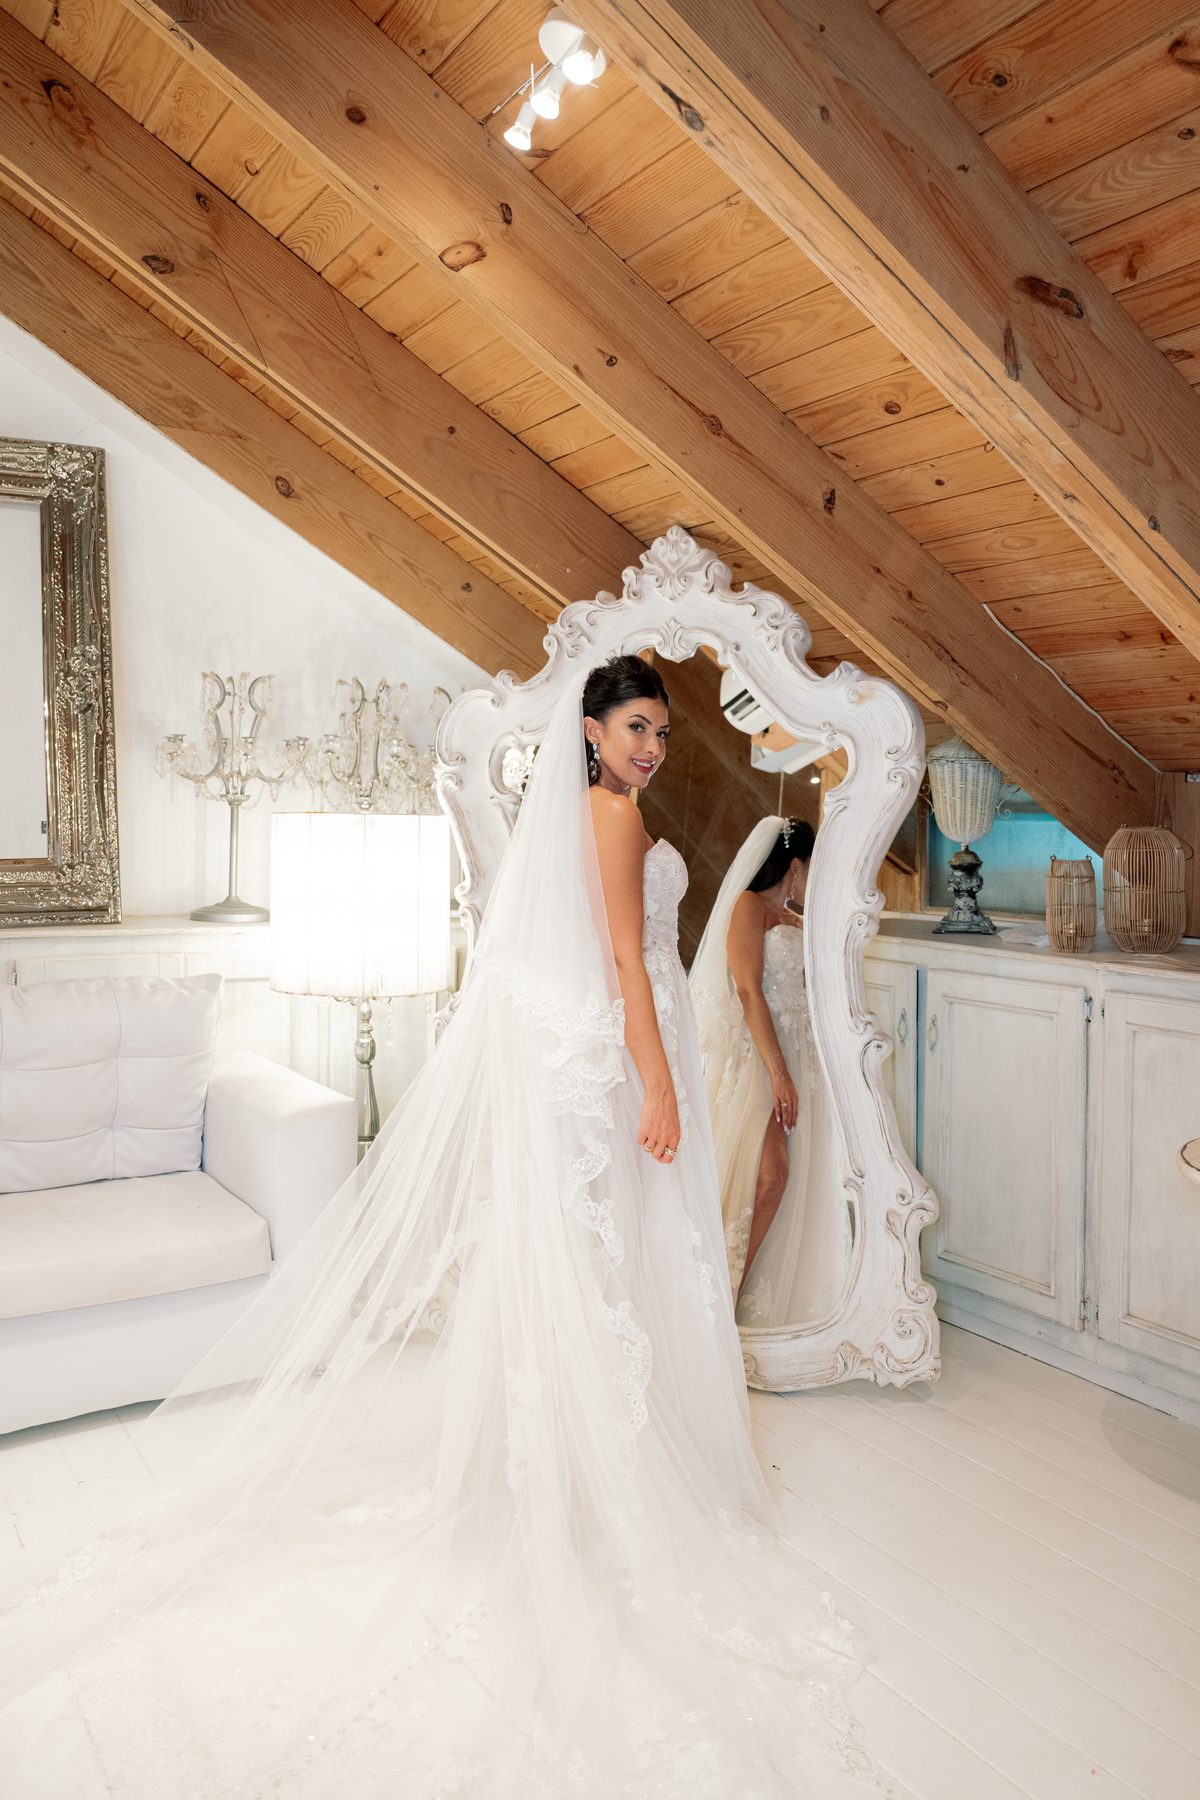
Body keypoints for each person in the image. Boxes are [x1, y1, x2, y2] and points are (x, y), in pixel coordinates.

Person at [0, 657, 892, 1798]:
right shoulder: (611, 815)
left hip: (579, 1063)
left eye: (660, 730)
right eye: (634, 727)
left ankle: (562, 1481)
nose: (652, 748)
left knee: (588, 1274)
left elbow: (558, 961)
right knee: (614, 1271)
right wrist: (659, 1085)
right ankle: (600, 1490)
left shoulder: (566, 812)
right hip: (615, 1063)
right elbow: (625, 960)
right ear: (589, 728)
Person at [692, 819, 847, 1328]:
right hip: (760, 1058)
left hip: (802, 1060)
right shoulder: (748, 908)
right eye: (813, 868)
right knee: (767, 1177)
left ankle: (735, 1290)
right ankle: (718, 1291)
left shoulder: (799, 922)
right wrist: (777, 1072)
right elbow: (748, 991)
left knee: (785, 1180)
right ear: (795, 865)